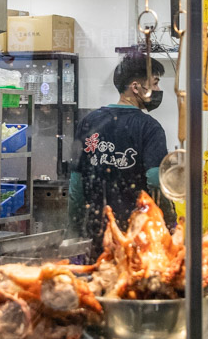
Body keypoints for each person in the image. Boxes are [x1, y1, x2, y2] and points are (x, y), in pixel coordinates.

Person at [68, 54, 173, 244]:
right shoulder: (149, 127)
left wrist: (75, 229)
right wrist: (169, 219)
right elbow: (156, 181)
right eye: (155, 83)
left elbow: (76, 182)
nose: (158, 90)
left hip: (97, 230)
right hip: (136, 232)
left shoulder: (89, 122)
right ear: (135, 87)